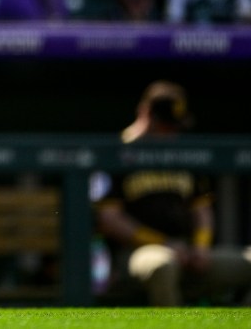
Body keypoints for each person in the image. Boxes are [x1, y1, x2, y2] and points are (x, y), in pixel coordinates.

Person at [94, 80, 251, 306]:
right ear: (145, 113)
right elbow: (109, 219)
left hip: (190, 252)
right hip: (139, 254)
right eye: (165, 125)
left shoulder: (182, 153)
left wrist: (201, 246)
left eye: (174, 126)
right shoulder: (116, 153)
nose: (170, 132)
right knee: (163, 266)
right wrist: (163, 243)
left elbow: (202, 208)